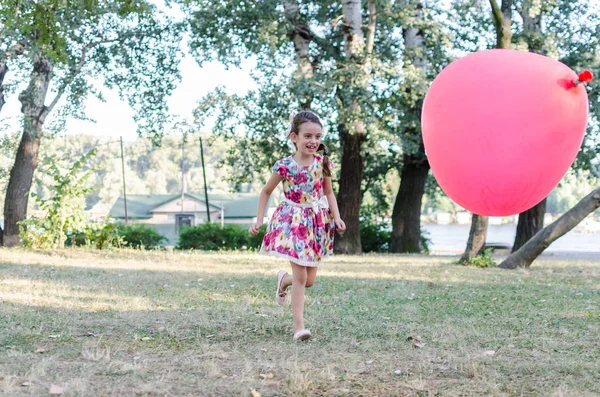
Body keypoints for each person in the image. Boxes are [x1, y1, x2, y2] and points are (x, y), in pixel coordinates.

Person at [249, 110, 346, 341]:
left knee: (309, 280)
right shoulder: (284, 166)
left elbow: (329, 193)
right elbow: (265, 192)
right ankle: (298, 328)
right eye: (308, 136)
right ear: (294, 137)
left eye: (318, 136)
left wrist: (338, 216)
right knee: (301, 278)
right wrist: (259, 219)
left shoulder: (323, 163)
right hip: (292, 222)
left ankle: (283, 280)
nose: (313, 141)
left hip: (316, 222)